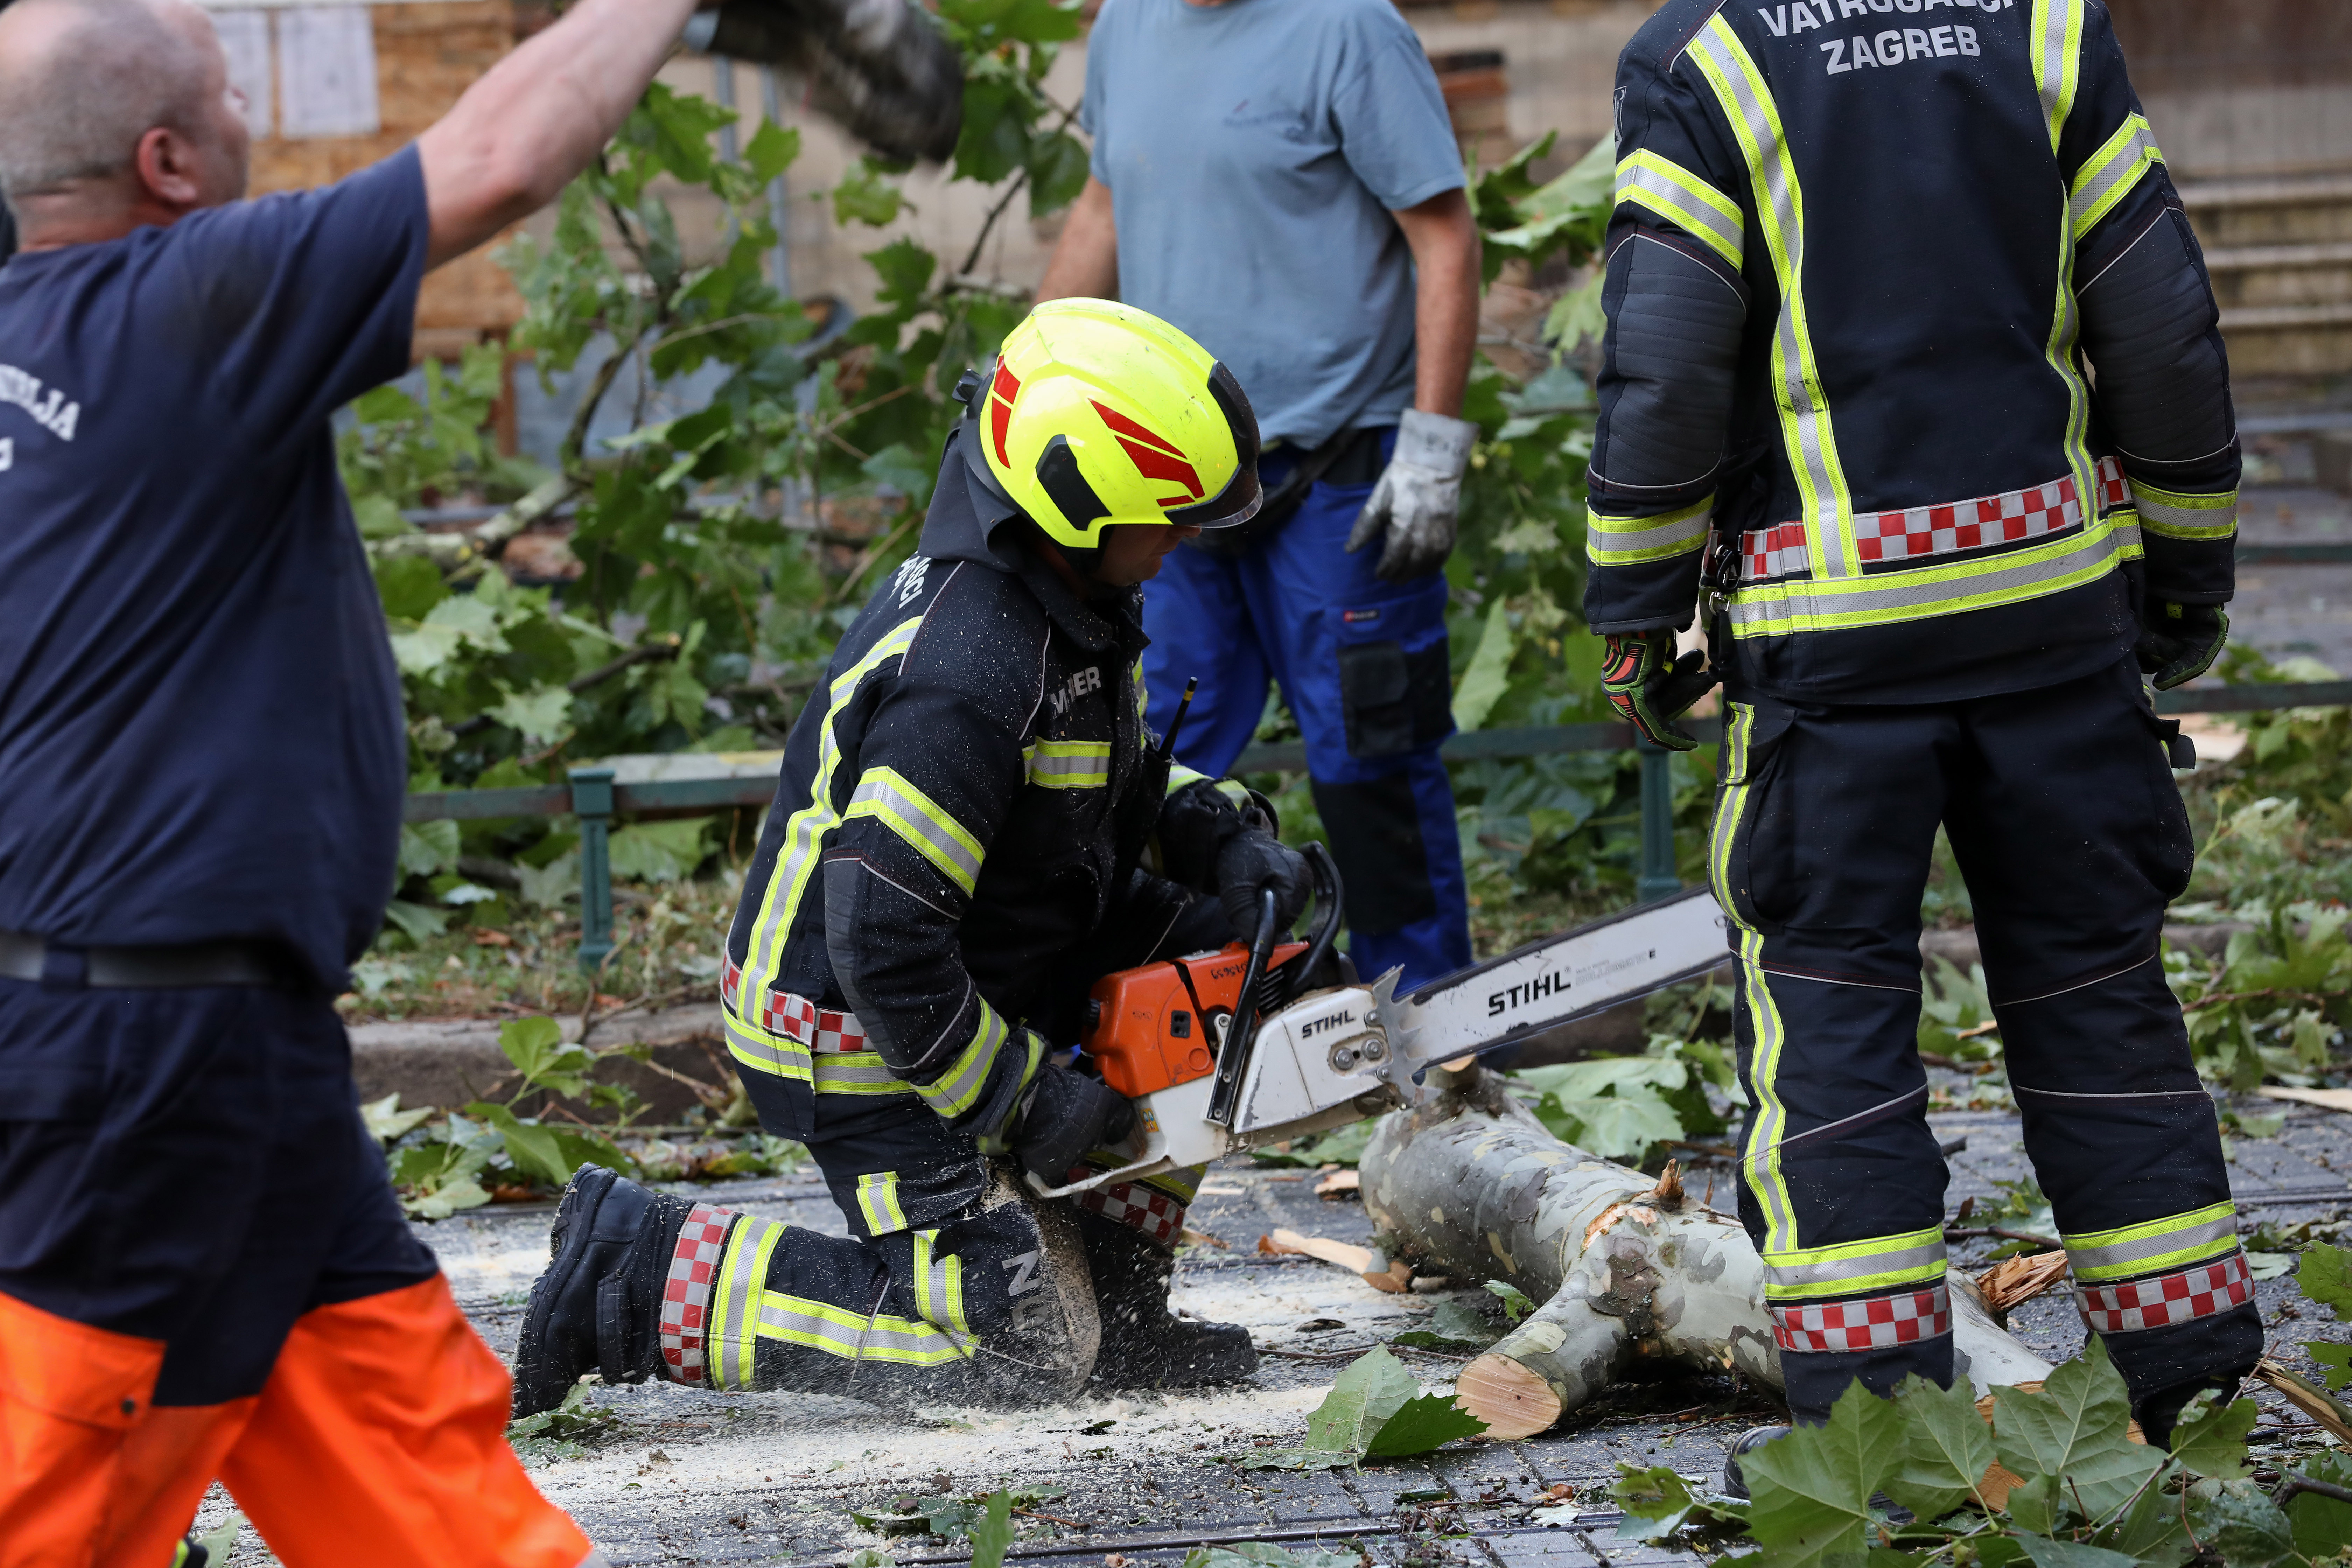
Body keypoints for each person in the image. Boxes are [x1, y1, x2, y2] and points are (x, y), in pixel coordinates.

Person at [0, 0, 730, 1557]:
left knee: (431, 1506)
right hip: (139, 1055)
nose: (264, 142)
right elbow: (501, 155)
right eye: (232, 107)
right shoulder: (190, 300)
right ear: (170, 162)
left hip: (208, 1049)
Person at [1581, 0, 2253, 1467]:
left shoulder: (1707, 59)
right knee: (2101, 1004)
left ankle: (1885, 1437)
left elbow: (1669, 362)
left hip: (1835, 661)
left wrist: (1634, 615)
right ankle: (2189, 1382)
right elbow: (2162, 321)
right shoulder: (2048, 29)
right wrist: (2188, 573)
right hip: (2055, 627)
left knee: (1832, 1033)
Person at [512, 300, 1312, 1413]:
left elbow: (1091, 786)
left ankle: (1126, 1306)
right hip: (863, 1029)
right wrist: (1030, 1104)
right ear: (1076, 499)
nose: (1181, 543)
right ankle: (641, 1276)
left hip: (993, 947)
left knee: (1231, 968)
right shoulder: (965, 680)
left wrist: (1217, 834)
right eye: (1167, 517)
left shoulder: (1066, 604)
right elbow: (885, 947)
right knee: (1026, 1354)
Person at [1035, 0, 1484, 993]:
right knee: (1150, 766)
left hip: (1338, 474)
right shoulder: (1129, 29)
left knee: (1373, 763)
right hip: (1166, 488)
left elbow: (1444, 238)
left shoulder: (1347, 30)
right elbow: (1105, 206)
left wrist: (1434, 449)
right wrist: (1025, 379)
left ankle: (1432, 1032)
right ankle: (1185, 1025)